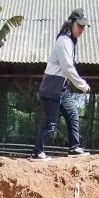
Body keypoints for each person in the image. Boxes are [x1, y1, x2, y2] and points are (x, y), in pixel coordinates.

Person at [30, 8, 91, 162]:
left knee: (73, 114)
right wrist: (82, 85)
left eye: (83, 27)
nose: (81, 29)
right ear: (72, 23)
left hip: (61, 88)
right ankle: (37, 153)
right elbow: (67, 68)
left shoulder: (70, 41)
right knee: (51, 125)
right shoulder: (64, 41)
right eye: (79, 25)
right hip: (51, 87)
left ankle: (74, 148)